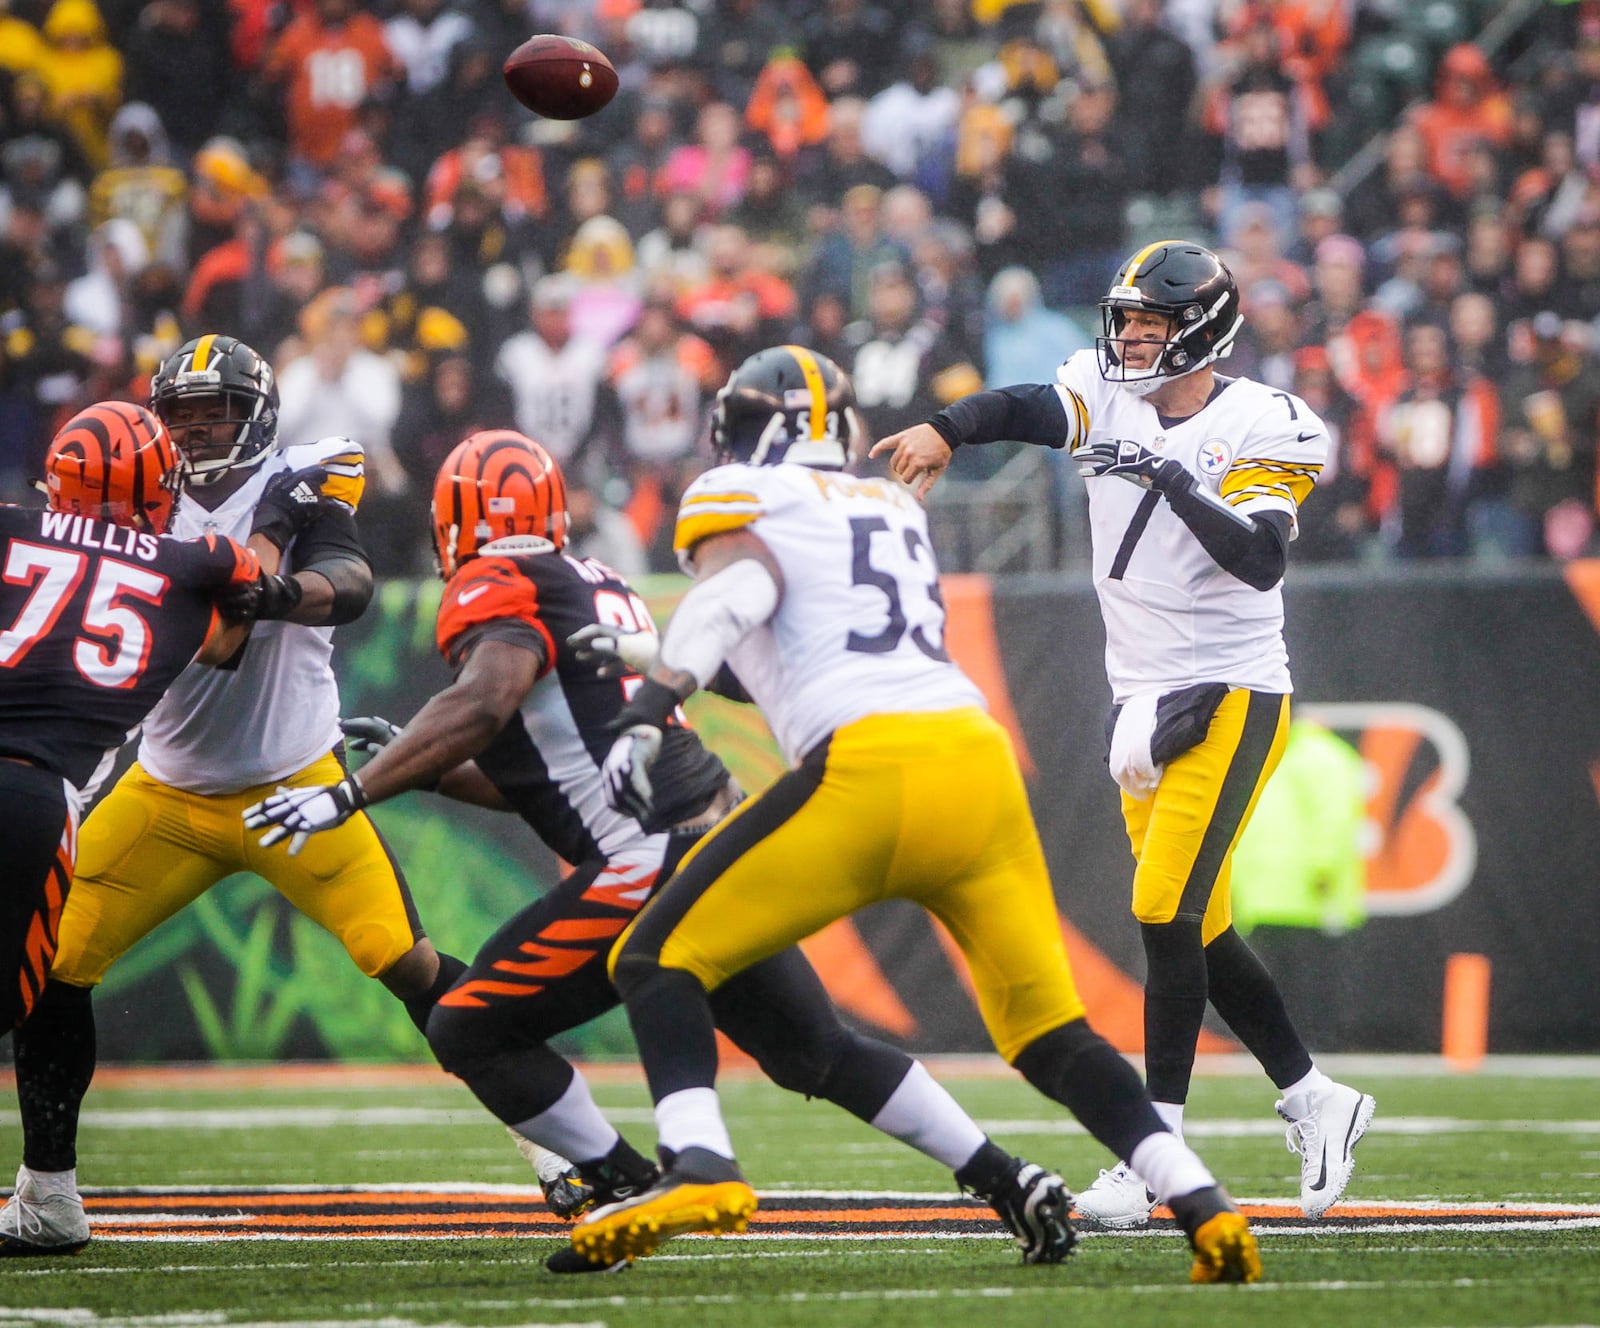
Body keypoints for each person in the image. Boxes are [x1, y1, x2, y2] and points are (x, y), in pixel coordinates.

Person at [244, 429, 1081, 1274]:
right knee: (814, 1051)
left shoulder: (491, 581)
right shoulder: (600, 583)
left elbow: (488, 700)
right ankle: (1009, 1179)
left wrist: (355, 788)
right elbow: (538, 770)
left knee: (469, 1026)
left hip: (647, 855)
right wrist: (422, 769)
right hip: (711, 838)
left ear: (454, 520)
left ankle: (623, 1183)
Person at [558, 345, 1261, 1282]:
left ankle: (700, 1163)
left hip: (867, 774)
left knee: (653, 958)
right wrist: (655, 662)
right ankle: (1206, 1208)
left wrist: (652, 706)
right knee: (1054, 1035)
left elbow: (738, 599)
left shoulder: (742, 498)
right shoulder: (886, 505)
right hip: (974, 768)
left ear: (750, 428)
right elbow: (789, 646)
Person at [874, 241, 1377, 1228]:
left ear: (1203, 329)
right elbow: (1027, 405)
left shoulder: (1264, 424)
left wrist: (1168, 478)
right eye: (1127, 318)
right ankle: (1316, 1094)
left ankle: (1154, 1158)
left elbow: (1260, 563)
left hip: (1232, 690)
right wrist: (946, 426)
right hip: (1137, 696)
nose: (1131, 335)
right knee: (1202, 923)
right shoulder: (1102, 387)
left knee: (1161, 911)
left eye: (1151, 321)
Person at [0, 335, 465, 1256]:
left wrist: (282, 575)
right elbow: (221, 626)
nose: (204, 429)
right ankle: (49, 1197)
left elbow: (353, 583)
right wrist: (260, 552)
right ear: (157, 430)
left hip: (292, 778)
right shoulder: (149, 507)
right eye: (186, 414)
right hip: (167, 788)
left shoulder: (294, 484)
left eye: (220, 411)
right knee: (54, 969)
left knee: (403, 958)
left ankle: (561, 1144)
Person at [0, 400, 263, 1252]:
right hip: (33, 799)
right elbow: (238, 610)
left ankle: (49, 1199)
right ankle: (49, 1199)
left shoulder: (12, 528)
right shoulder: (198, 563)